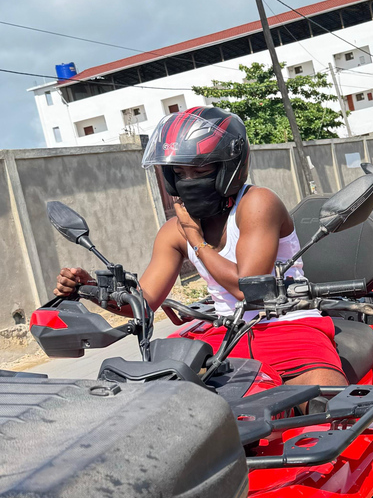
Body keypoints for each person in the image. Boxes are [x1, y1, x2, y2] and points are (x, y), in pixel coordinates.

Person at [53, 107, 347, 389]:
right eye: (180, 173)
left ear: (228, 166)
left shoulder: (257, 204)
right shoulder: (173, 232)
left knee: (333, 410)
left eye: (199, 170)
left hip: (289, 327)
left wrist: (196, 239)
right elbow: (144, 302)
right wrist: (88, 288)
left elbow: (248, 290)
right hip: (225, 336)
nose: (188, 181)